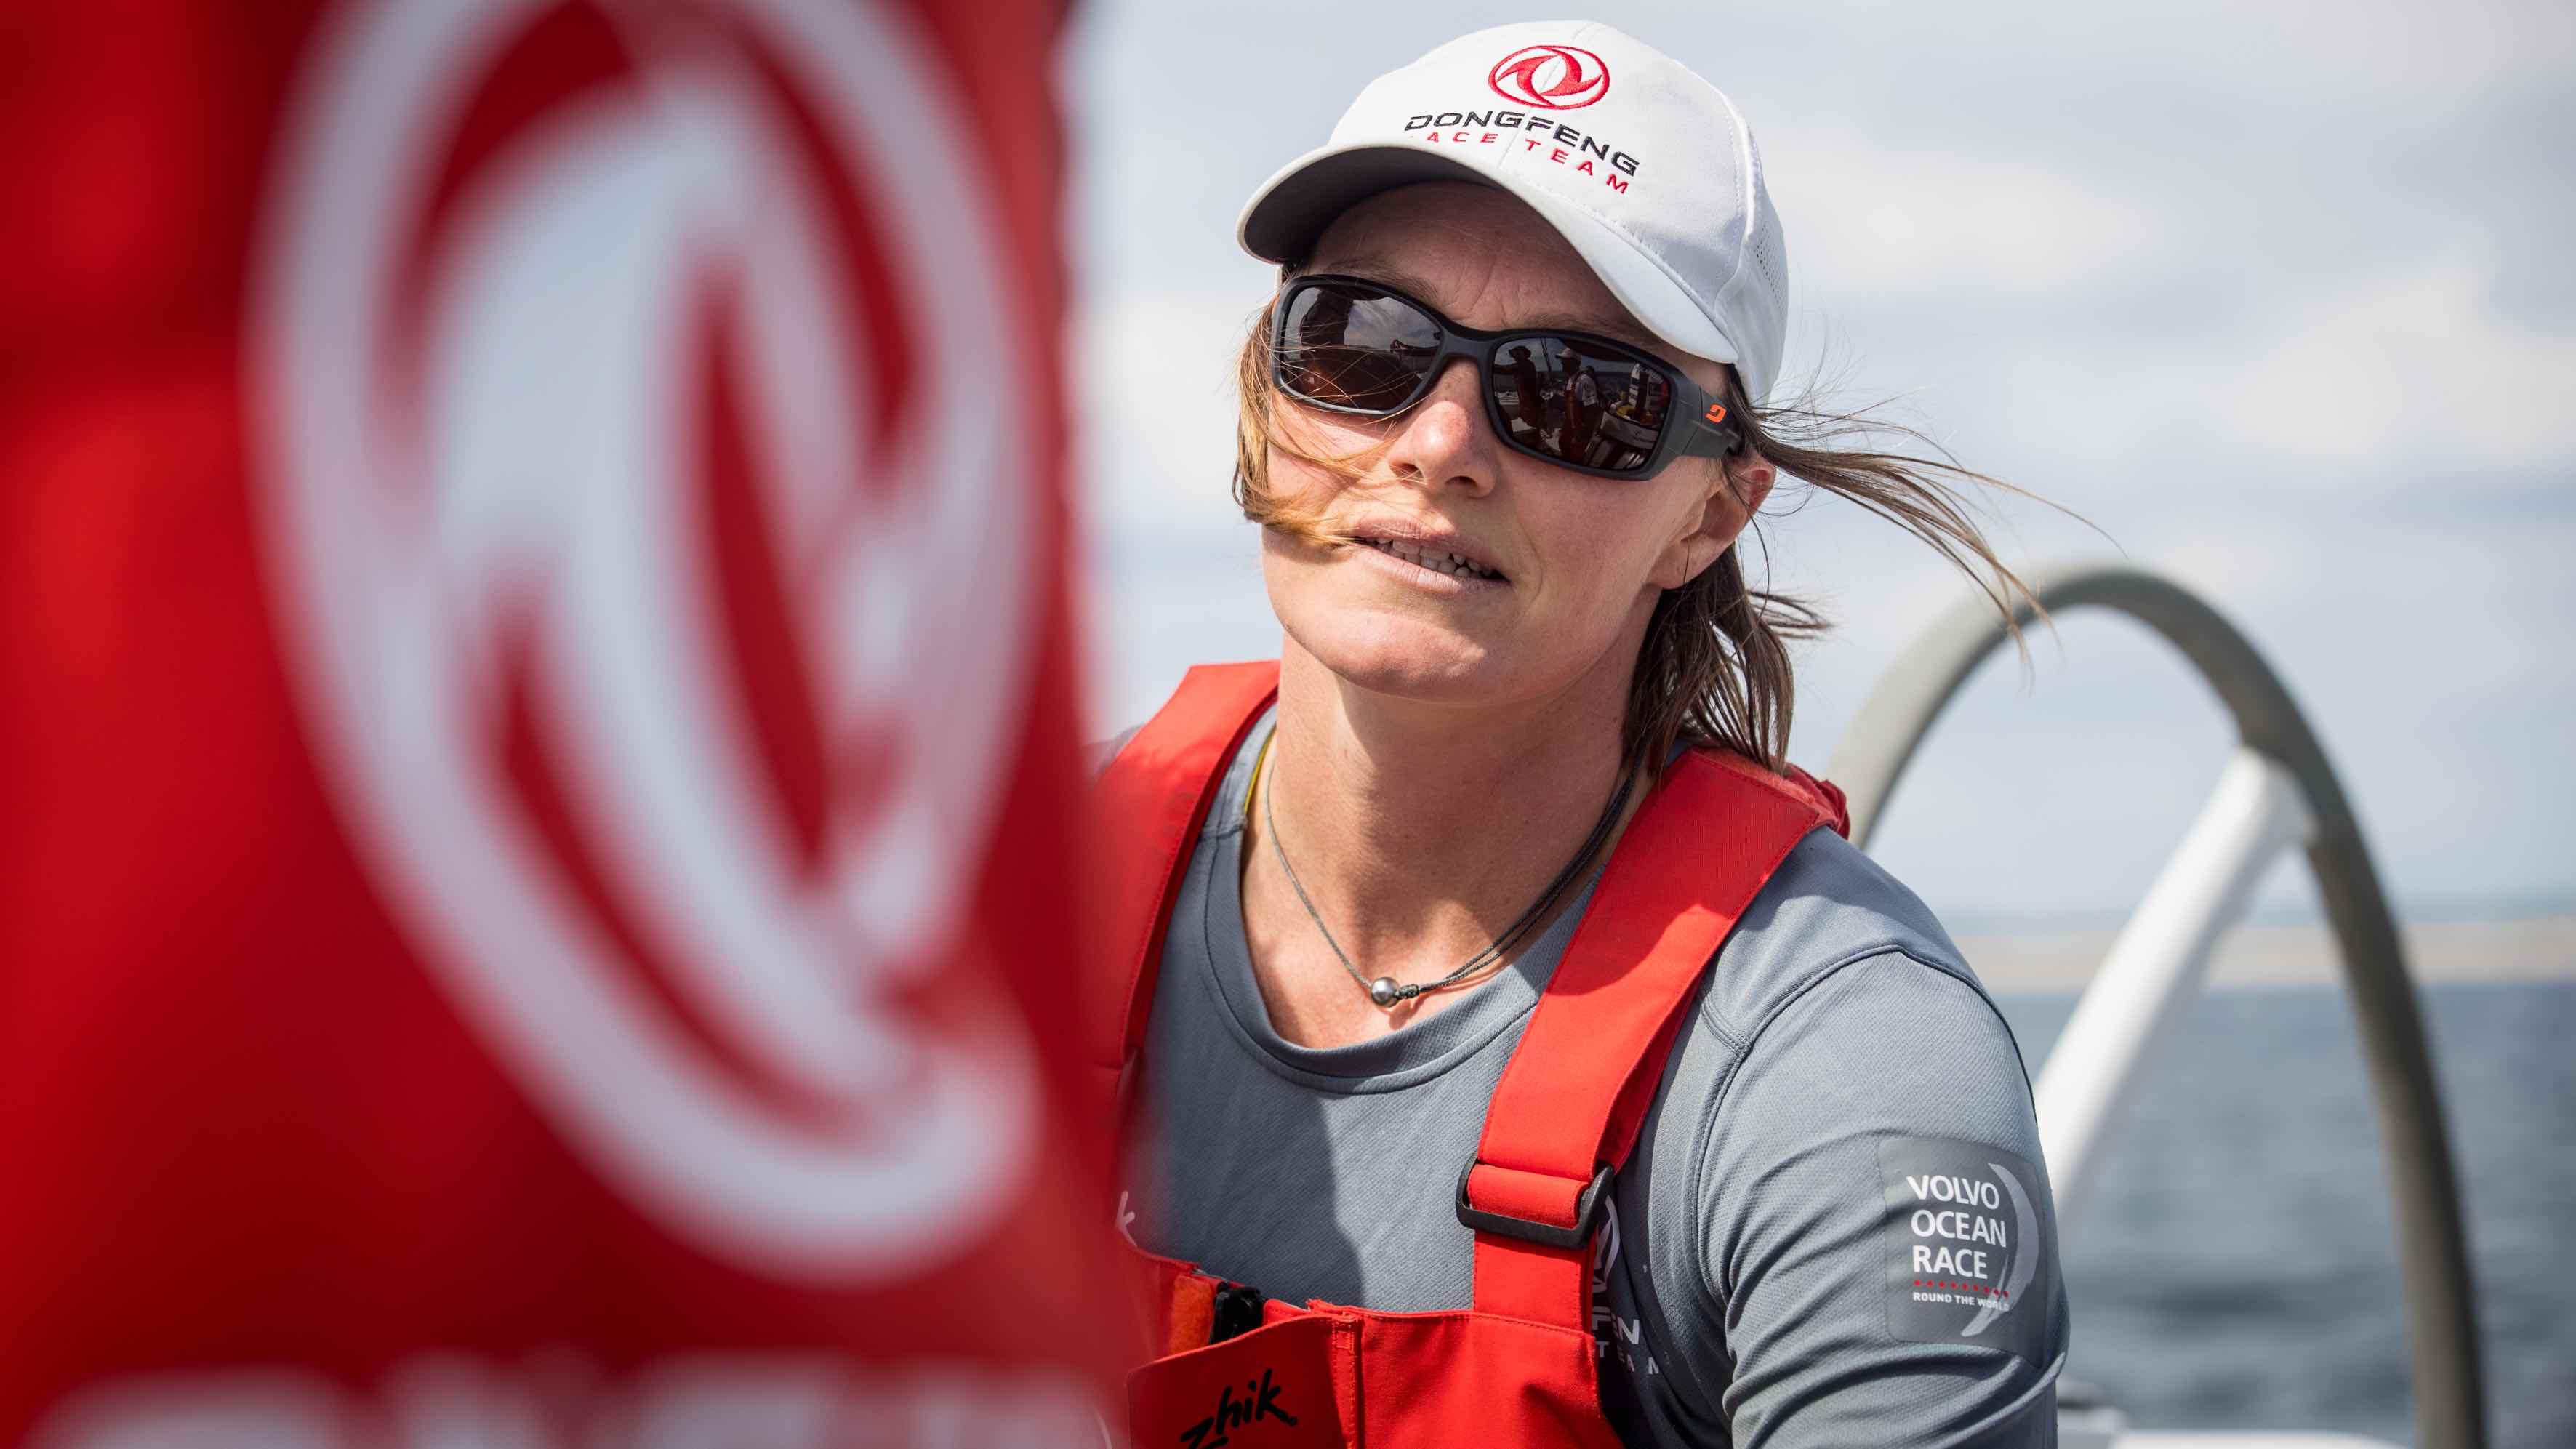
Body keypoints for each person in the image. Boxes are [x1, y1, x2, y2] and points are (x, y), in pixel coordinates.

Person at [1090, 21, 2070, 1448]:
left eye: (1575, 396)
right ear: (1265, 383)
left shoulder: (1837, 1065)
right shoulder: (1012, 894)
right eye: (1359, 341)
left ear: (1711, 510)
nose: (1435, 442)